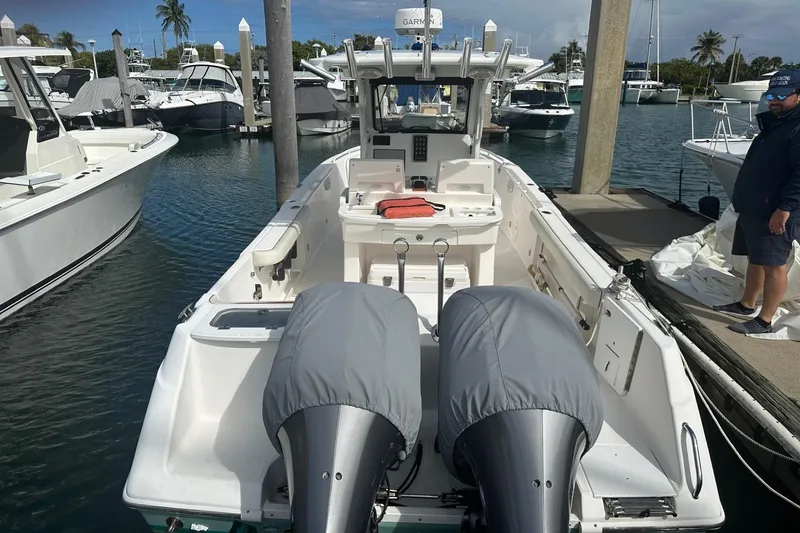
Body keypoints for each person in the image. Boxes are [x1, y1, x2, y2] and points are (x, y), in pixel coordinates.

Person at [713, 69, 800, 334]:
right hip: (754, 206)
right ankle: (746, 304)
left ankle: (764, 320)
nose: (774, 101)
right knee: (756, 258)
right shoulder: (776, 123)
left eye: (782, 96)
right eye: (771, 95)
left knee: (774, 264)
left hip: (776, 210)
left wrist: (785, 208)